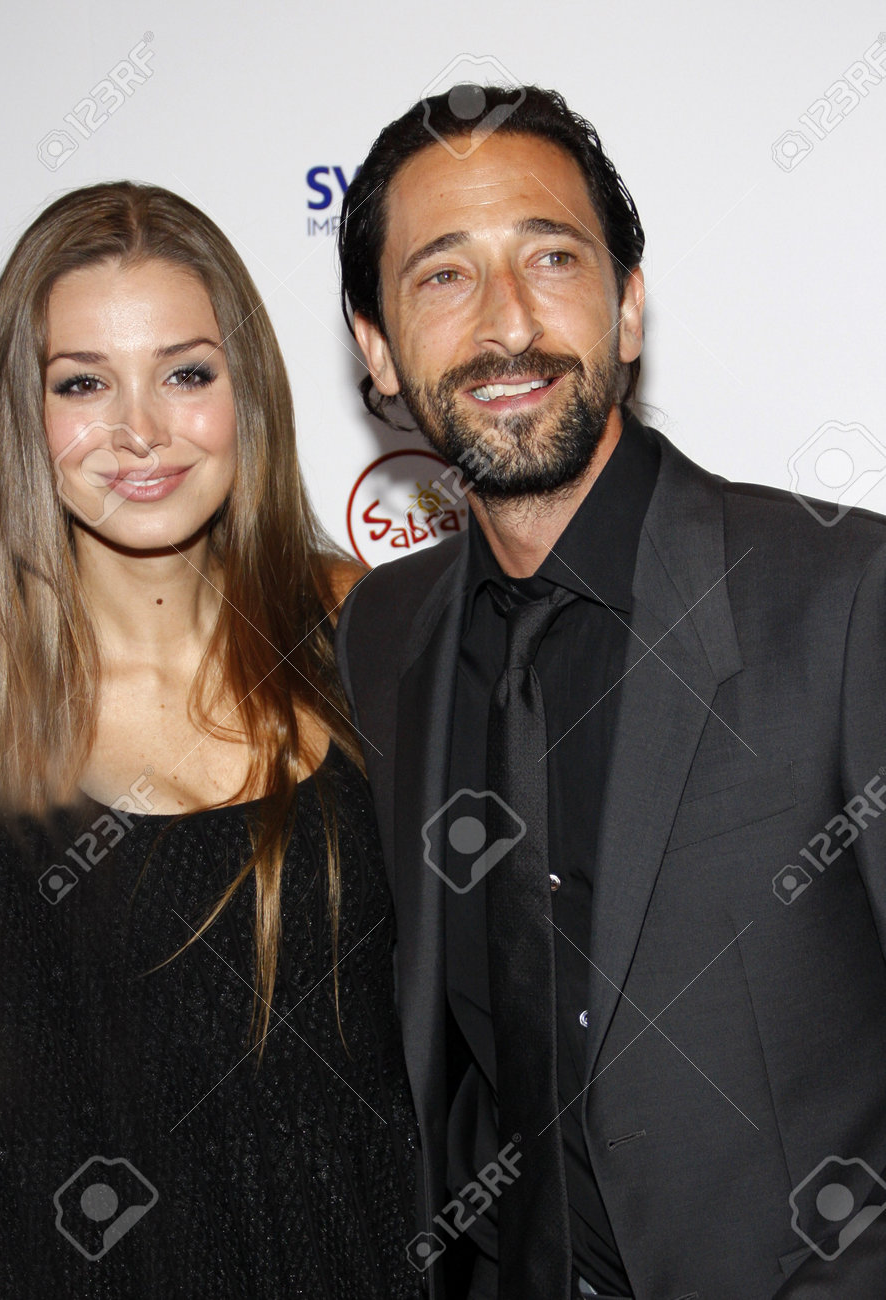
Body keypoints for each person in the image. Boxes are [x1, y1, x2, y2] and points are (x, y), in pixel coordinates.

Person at [334, 85, 886, 1299]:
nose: (507, 324)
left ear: (628, 307)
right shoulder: (377, 637)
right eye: (441, 276)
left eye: (550, 257)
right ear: (374, 346)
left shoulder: (846, 596)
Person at [0, 181, 419, 1298]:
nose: (140, 431)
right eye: (81, 383)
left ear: (248, 390)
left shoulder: (360, 628)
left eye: (186, 373)